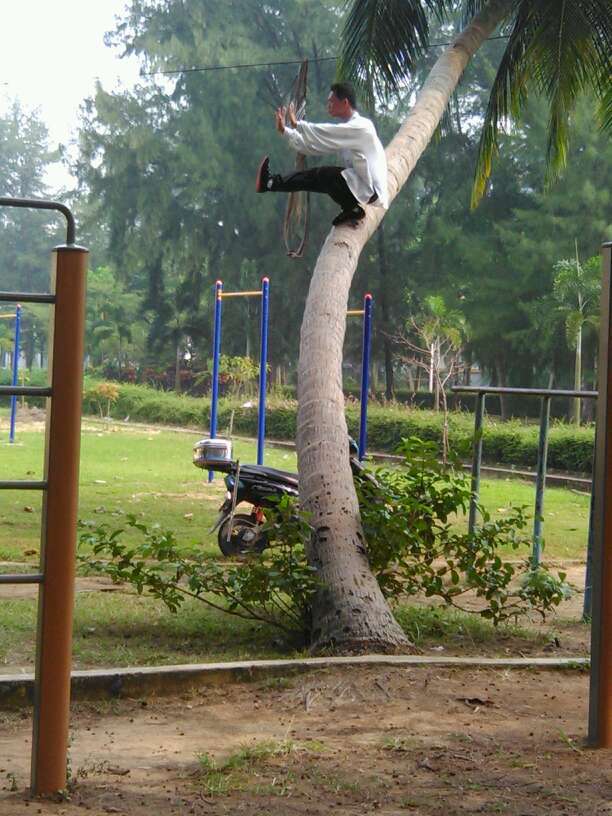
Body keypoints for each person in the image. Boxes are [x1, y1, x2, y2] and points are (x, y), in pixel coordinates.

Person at [255, 82, 388, 227]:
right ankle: (270, 183)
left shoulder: (362, 126)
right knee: (313, 177)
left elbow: (326, 133)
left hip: (370, 190)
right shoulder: (347, 132)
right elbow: (312, 147)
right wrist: (285, 131)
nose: (328, 105)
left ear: (345, 103)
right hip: (361, 186)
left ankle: (352, 208)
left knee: (325, 174)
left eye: (332, 102)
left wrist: (297, 124)